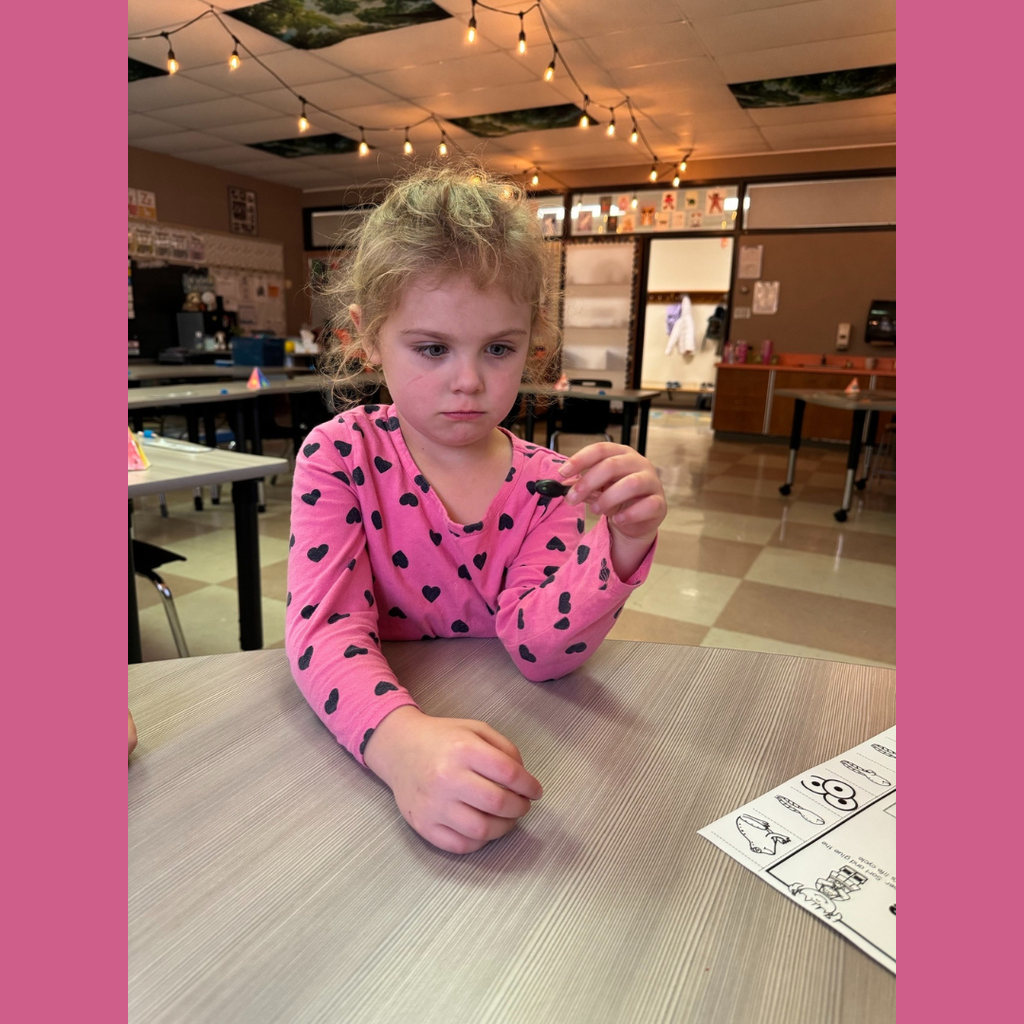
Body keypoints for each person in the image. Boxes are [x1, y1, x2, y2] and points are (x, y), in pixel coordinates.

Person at [286, 165, 667, 854]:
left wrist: (623, 543)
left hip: (511, 738)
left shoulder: (550, 483)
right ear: (367, 337)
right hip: (365, 754)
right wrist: (400, 744)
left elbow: (539, 651)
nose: (468, 382)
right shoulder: (338, 455)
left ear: (533, 341)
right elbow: (325, 632)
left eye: (499, 349)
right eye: (432, 348)